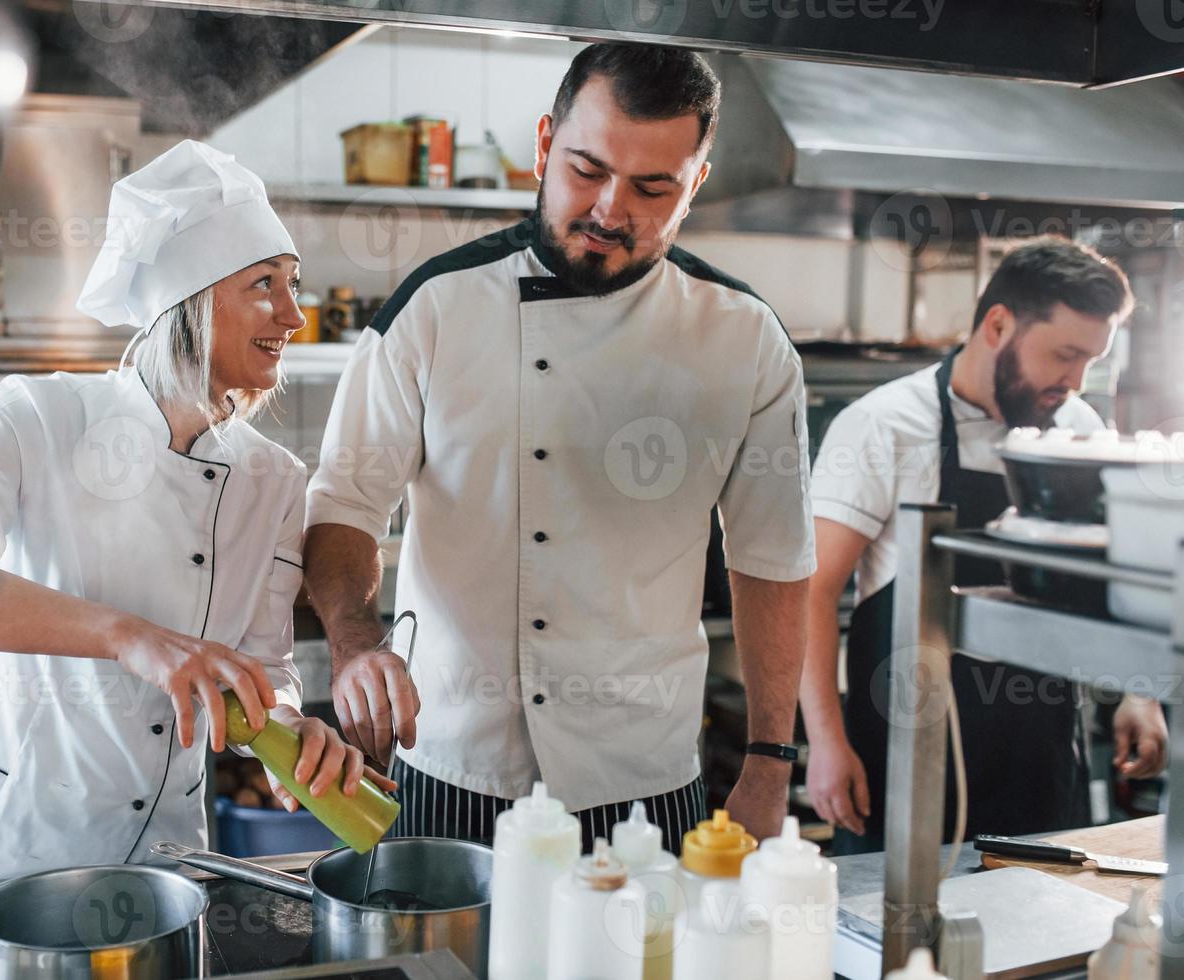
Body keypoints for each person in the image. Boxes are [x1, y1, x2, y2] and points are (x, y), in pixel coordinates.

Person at [304, 44, 814, 851]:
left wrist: (769, 761)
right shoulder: (434, 308)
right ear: (544, 144)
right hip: (450, 764)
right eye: (587, 169)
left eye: (654, 188)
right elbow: (343, 503)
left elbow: (773, 560)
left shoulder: (743, 337)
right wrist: (355, 647)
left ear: (697, 185)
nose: (612, 210)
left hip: (641, 782)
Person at [0, 141, 388, 887]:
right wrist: (129, 638)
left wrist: (292, 727)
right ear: (192, 301)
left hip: (159, 861)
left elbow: (263, 666)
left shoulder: (272, 476)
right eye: (265, 284)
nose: (294, 316)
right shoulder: (40, 415)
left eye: (293, 283)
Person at [801, 237, 1167, 854]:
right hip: (901, 763)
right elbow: (809, 592)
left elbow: (1117, 581)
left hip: (1039, 764)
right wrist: (826, 744)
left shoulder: (1079, 432)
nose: (1075, 383)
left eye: (1090, 363)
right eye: (1065, 355)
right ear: (998, 324)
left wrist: (1139, 691)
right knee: (896, 938)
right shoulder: (885, 425)